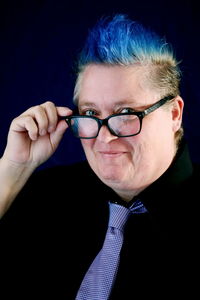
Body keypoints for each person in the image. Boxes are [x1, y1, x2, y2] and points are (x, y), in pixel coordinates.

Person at [0, 14, 199, 299]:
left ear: (175, 114)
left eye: (126, 114)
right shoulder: (45, 194)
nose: (104, 137)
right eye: (92, 114)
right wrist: (12, 169)